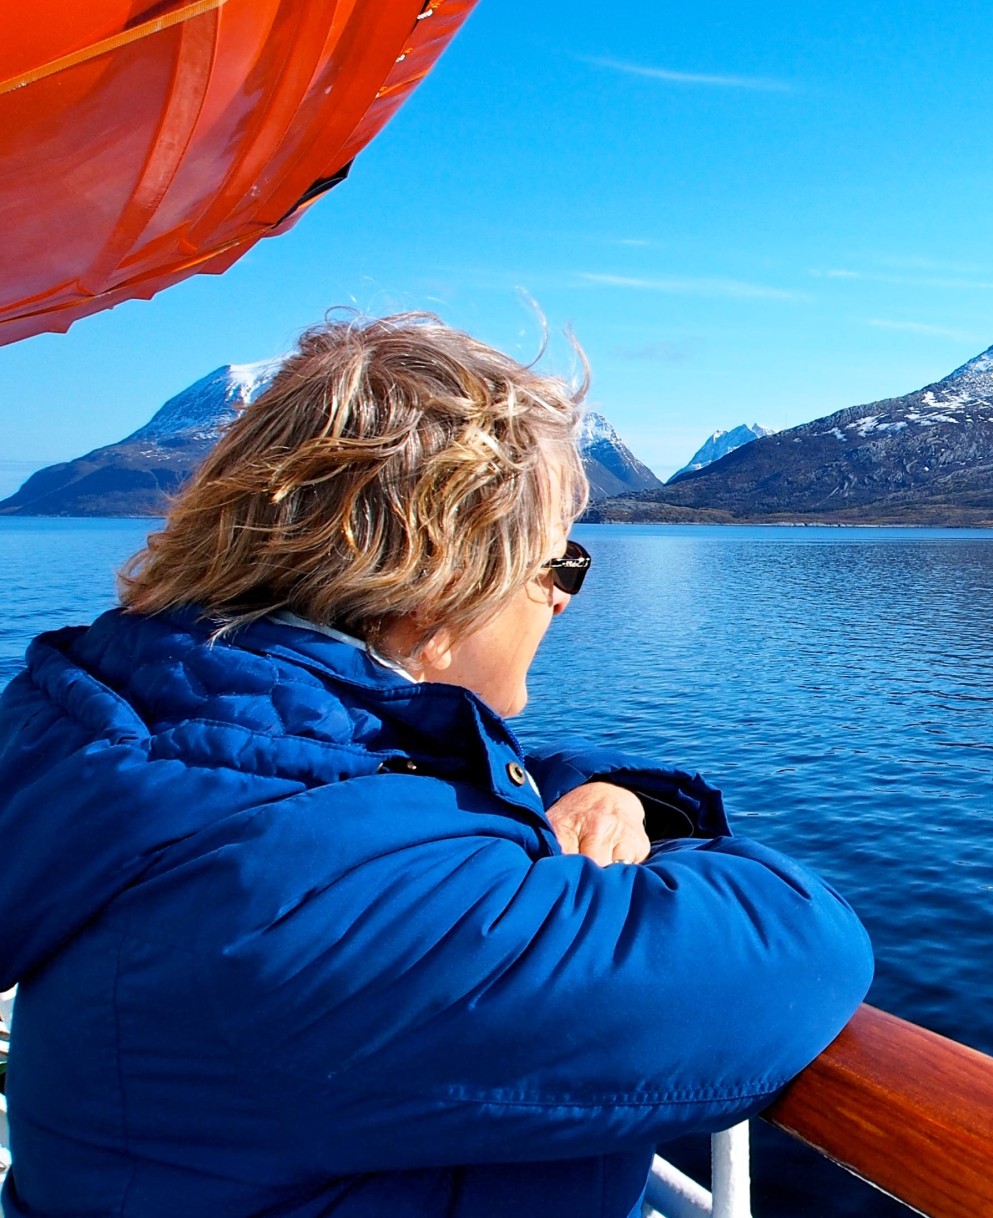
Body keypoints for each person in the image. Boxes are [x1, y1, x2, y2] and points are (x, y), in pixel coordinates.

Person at [0, 314, 873, 1217]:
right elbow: (799, 945)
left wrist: (617, 794)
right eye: (559, 565)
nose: (563, 603)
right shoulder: (318, 896)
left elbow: (397, 773)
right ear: (434, 592)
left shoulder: (132, 747)